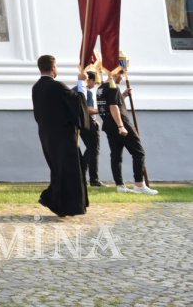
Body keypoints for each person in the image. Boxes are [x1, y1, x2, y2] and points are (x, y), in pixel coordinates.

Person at [32, 54, 89, 216]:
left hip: (47, 136)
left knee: (58, 170)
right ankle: (64, 204)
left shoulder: (36, 87)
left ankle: (56, 201)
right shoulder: (57, 86)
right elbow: (77, 103)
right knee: (69, 170)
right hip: (63, 136)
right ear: (53, 67)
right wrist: (81, 82)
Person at [97, 69, 158, 195]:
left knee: (116, 156)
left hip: (108, 126)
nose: (122, 77)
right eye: (121, 74)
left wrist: (123, 96)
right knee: (139, 153)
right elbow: (113, 107)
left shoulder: (101, 88)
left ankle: (120, 185)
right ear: (114, 73)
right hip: (121, 124)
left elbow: (111, 103)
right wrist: (121, 126)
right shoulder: (113, 87)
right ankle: (139, 185)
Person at [74, 69, 103, 187]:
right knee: (94, 150)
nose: (95, 85)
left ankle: (82, 176)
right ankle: (94, 179)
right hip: (89, 124)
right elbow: (89, 109)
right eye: (95, 82)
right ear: (89, 80)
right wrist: (102, 110)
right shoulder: (87, 92)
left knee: (89, 150)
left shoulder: (72, 90)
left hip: (77, 124)